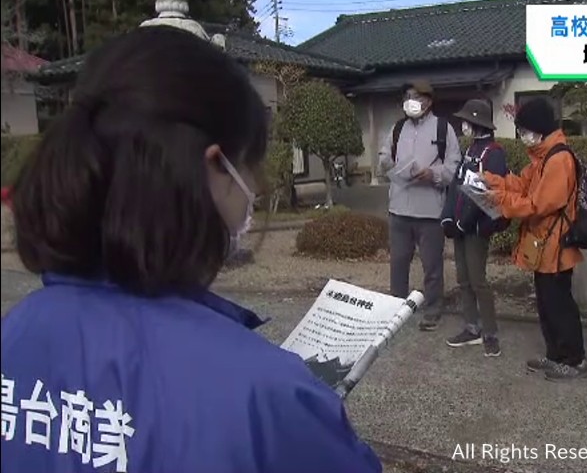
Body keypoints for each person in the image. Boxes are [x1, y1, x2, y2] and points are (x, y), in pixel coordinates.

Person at [1, 26, 381, 473]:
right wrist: (307, 410)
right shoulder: (266, 395)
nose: (256, 190)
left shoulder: (16, 331)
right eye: (252, 167)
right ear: (214, 167)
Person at [482, 98, 587, 381]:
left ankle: (574, 360)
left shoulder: (558, 159)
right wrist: (493, 180)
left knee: (559, 304)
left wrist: (501, 198)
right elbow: (522, 184)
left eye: (526, 130)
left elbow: (538, 204)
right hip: (544, 244)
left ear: (539, 129)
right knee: (546, 302)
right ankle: (555, 355)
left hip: (556, 244)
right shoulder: (543, 156)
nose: (523, 136)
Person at [378, 80, 461, 331]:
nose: (410, 101)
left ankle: (433, 308)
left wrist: (433, 174)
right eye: (407, 96)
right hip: (399, 209)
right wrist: (388, 165)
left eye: (416, 96)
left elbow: (454, 166)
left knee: (432, 264)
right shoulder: (397, 128)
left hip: (430, 211)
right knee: (398, 262)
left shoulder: (444, 129)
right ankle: (396, 307)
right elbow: (384, 156)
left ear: (429, 101)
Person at [440, 99, 509, 357]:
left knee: (478, 280)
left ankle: (489, 332)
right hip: (460, 227)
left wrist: (462, 223)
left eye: (466, 121)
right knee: (463, 279)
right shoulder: (471, 150)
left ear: (477, 122)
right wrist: (448, 219)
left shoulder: (493, 153)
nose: (463, 125)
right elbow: (456, 186)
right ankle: (471, 327)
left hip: (477, 228)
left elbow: (485, 194)